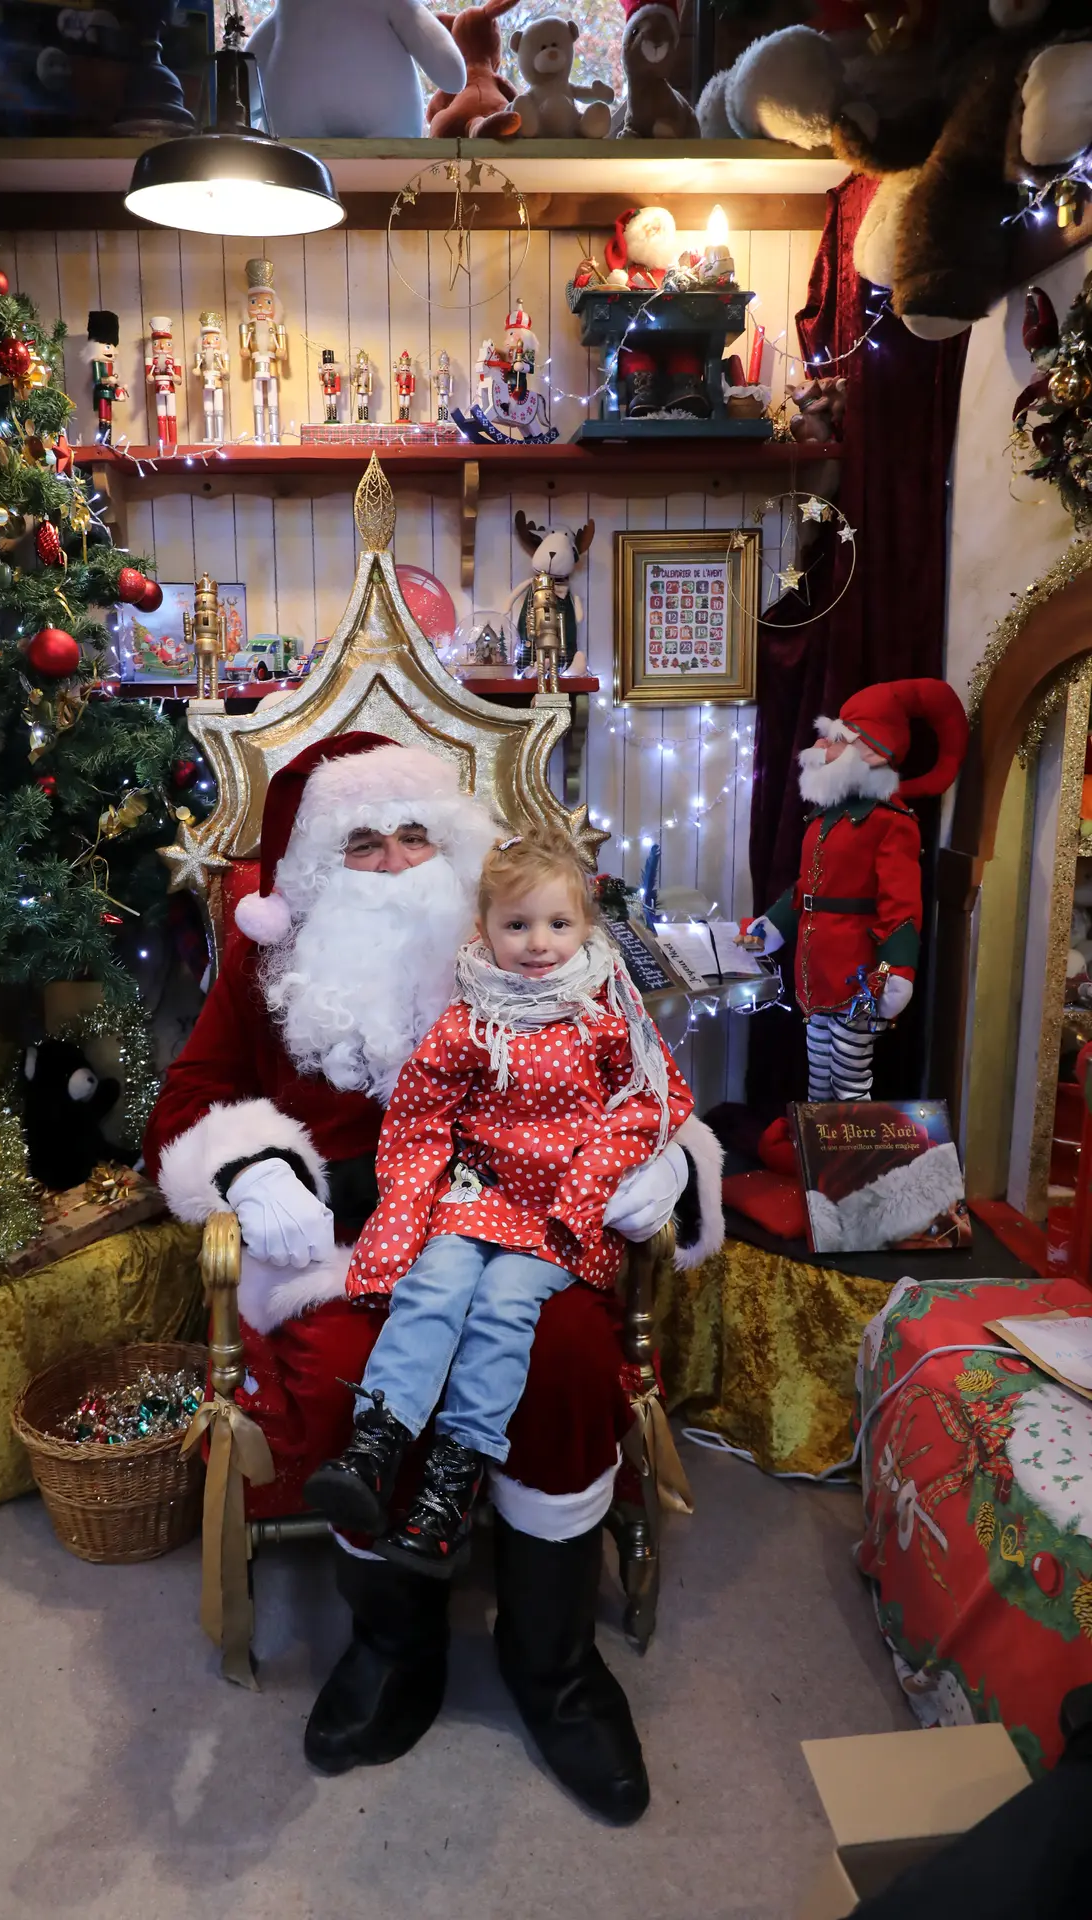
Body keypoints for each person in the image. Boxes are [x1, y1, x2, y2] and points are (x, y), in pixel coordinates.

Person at [143, 733, 723, 1823]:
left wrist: (660, 1165)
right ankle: (392, 1649)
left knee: (559, 1361)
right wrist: (255, 1162)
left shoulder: (533, 951)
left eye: (419, 832)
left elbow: (642, 1077)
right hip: (347, 1243)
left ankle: (550, 1665)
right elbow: (184, 1103)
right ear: (315, 867)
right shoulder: (268, 963)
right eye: (364, 842)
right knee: (348, 1369)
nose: (400, 860)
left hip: (537, 1219)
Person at [306, 826, 695, 1581]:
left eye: (558, 924)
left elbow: (652, 1099)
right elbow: (420, 1115)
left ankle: (454, 1477)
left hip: (558, 1213)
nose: (539, 944)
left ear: (586, 926)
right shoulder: (470, 1016)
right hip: (478, 1198)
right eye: (516, 925)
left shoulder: (605, 1012)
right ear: (483, 929)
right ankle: (375, 1445)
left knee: (504, 1311)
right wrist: (403, 1218)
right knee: (433, 1289)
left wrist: (595, 1181)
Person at [741, 678, 968, 1101]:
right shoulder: (824, 819)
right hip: (815, 972)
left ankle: (850, 1162)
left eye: (834, 740)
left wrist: (898, 971)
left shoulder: (890, 822)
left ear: (871, 751)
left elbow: (900, 906)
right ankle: (820, 1156)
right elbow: (805, 891)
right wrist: (769, 927)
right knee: (818, 1078)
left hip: (858, 976)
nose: (819, 749)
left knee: (850, 1081)